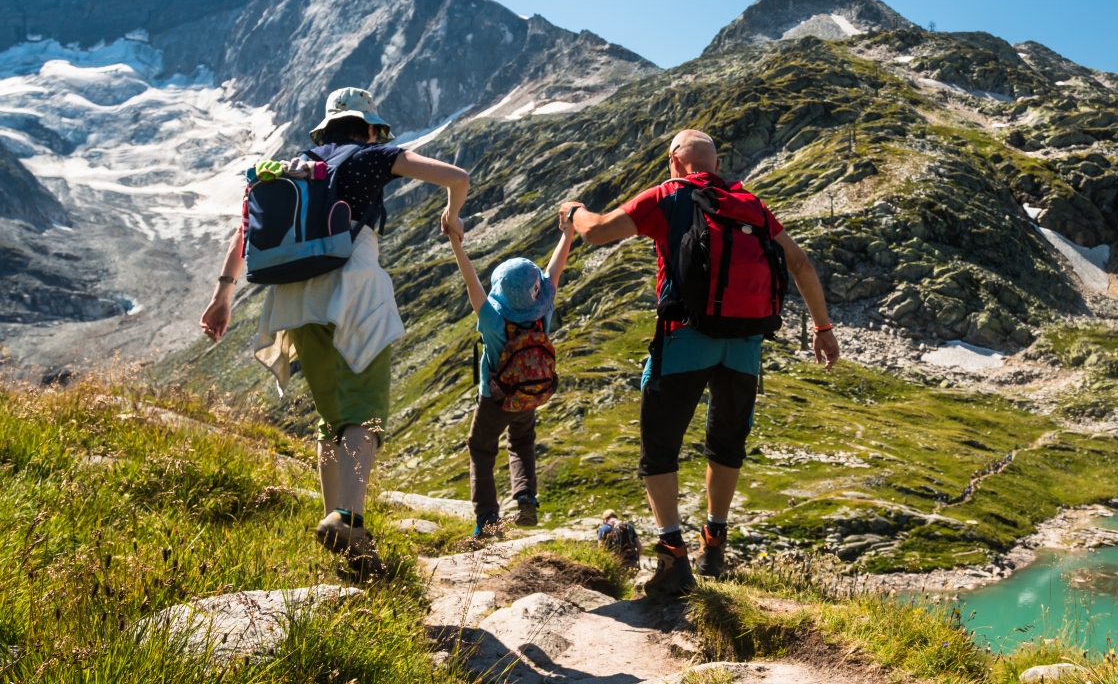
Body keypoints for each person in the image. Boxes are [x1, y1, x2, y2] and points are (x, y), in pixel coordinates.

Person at [199, 87, 470, 567]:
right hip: (354, 292)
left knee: (331, 415)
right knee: (363, 411)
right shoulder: (372, 155)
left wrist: (223, 295)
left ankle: (336, 522)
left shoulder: (294, 168)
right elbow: (455, 175)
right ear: (368, 127)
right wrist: (452, 212)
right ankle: (349, 520)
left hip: (296, 298)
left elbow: (247, 232)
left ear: (324, 129)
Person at [562, 129, 840, 597]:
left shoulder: (670, 194)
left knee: (660, 448)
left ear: (675, 160)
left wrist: (573, 212)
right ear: (714, 161)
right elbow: (801, 264)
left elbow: (597, 232)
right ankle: (714, 543)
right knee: (726, 444)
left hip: (686, 337)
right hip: (745, 344)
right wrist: (823, 328)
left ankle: (673, 558)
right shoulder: (750, 203)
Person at [447, 213, 575, 537]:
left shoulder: (493, 321)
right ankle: (526, 498)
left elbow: (470, 281)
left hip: (495, 399)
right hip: (529, 396)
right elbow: (554, 271)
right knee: (521, 440)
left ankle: (488, 518)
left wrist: (455, 241)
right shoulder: (542, 312)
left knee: (481, 447)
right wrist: (568, 232)